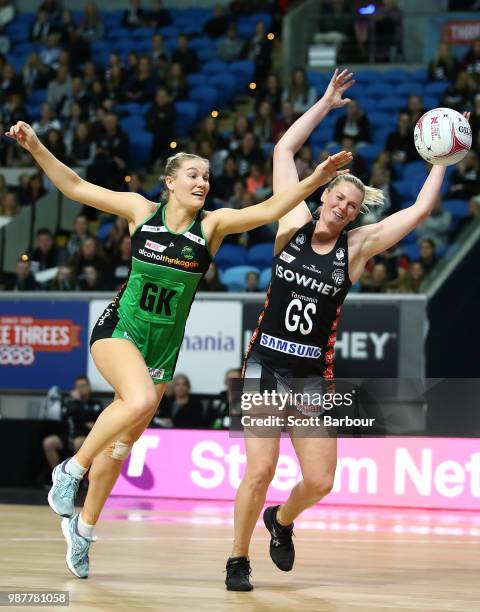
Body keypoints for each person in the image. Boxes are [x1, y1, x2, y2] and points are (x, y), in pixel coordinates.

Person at [6, 118, 351, 579]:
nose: (202, 183)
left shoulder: (213, 227)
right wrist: (36, 147)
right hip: (120, 330)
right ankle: (69, 472)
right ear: (170, 182)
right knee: (141, 399)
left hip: (162, 351)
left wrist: (314, 181)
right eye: (193, 175)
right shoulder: (139, 211)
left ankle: (84, 529)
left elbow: (271, 209)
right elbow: (73, 185)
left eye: (206, 177)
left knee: (122, 444)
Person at [224, 68, 471, 591]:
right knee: (259, 470)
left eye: (353, 207)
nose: (343, 208)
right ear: (325, 194)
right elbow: (283, 153)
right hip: (266, 365)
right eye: (338, 198)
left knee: (320, 481)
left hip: (312, 376)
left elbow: (423, 208)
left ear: (357, 216)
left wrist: (444, 158)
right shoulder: (289, 223)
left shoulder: (354, 249)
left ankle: (281, 521)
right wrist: (324, 104)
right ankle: (237, 559)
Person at [42, 376, 103, 476]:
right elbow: (64, 416)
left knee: (77, 443)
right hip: (68, 435)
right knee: (48, 443)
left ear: (89, 387)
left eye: (83, 386)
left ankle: (74, 476)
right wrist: (75, 403)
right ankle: (59, 476)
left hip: (85, 437)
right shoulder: (70, 402)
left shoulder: (96, 404)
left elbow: (89, 419)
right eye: (78, 387)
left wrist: (79, 405)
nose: (81, 389)